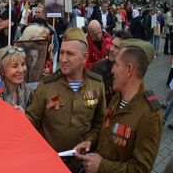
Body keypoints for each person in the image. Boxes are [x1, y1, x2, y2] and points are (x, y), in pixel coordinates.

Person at [75, 39, 162, 173]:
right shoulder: (117, 98)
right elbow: (106, 131)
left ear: (129, 70)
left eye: (116, 64)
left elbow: (141, 169)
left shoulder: (150, 115)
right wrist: (90, 142)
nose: (112, 70)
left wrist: (101, 166)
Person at [26, 27, 106, 165]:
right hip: (50, 162)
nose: (63, 59)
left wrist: (90, 141)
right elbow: (32, 120)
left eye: (70, 54)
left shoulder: (97, 84)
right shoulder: (47, 85)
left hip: (81, 163)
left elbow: (100, 123)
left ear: (85, 57)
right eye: (62, 52)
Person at [92, 30, 132, 105]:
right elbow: (91, 99)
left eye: (116, 47)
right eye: (111, 44)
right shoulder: (98, 68)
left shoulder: (131, 73)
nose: (111, 49)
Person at [0, 46, 33, 111]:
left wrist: (25, 116)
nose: (21, 70)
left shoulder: (28, 93)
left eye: (23, 64)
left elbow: (34, 118)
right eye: (15, 66)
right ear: (2, 70)